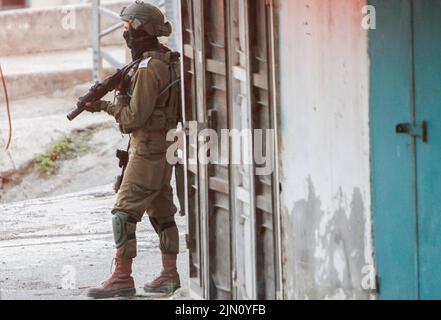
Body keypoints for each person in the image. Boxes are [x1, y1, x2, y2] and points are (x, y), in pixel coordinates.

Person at [85, 0, 181, 299]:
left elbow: (133, 117)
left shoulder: (149, 67)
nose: (125, 34)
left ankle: (121, 278)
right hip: (165, 145)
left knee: (123, 213)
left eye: (128, 28)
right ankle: (169, 275)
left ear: (141, 29)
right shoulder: (166, 59)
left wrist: (103, 105)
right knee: (162, 212)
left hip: (148, 146)